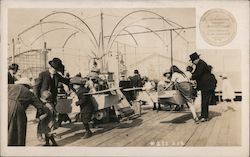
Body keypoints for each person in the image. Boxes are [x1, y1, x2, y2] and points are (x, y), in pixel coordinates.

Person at [8, 78, 44, 146]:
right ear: (27, 86)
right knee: (17, 133)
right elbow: (40, 106)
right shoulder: (29, 93)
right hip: (18, 110)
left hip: (4, 105)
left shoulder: (10, 86)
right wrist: (39, 116)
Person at [33, 58, 70, 122]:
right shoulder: (43, 74)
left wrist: (75, 80)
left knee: (51, 114)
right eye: (54, 69)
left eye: (56, 69)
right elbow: (36, 87)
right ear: (50, 67)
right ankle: (42, 131)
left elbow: (66, 81)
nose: (55, 70)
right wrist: (37, 99)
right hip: (43, 99)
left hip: (52, 99)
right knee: (43, 115)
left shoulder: (57, 75)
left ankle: (48, 131)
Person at [190, 52, 217, 122]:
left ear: (195, 59)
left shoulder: (201, 64)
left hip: (207, 85)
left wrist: (191, 77)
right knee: (204, 100)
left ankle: (205, 117)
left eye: (193, 61)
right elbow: (196, 72)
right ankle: (203, 115)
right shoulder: (201, 63)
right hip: (206, 85)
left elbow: (198, 74)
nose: (193, 63)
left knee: (205, 101)